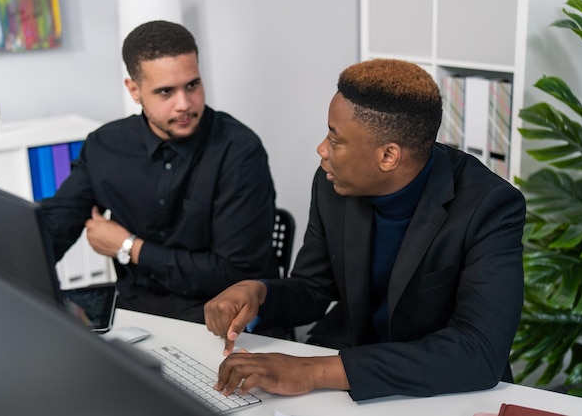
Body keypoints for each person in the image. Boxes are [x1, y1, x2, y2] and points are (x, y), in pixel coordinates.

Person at [204, 58, 526, 401]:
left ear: (388, 156)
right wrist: (259, 294)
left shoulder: (490, 206)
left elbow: (477, 352)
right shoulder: (332, 183)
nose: (322, 150)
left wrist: (314, 371)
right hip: (349, 371)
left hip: (443, 390)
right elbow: (314, 288)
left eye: (335, 138)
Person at [40, 20, 278, 323]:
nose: (184, 104)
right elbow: (57, 225)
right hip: (134, 310)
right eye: (165, 92)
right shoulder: (105, 145)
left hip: (220, 314)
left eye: (192, 85)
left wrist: (130, 248)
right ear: (134, 90)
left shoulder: (240, 151)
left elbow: (235, 275)